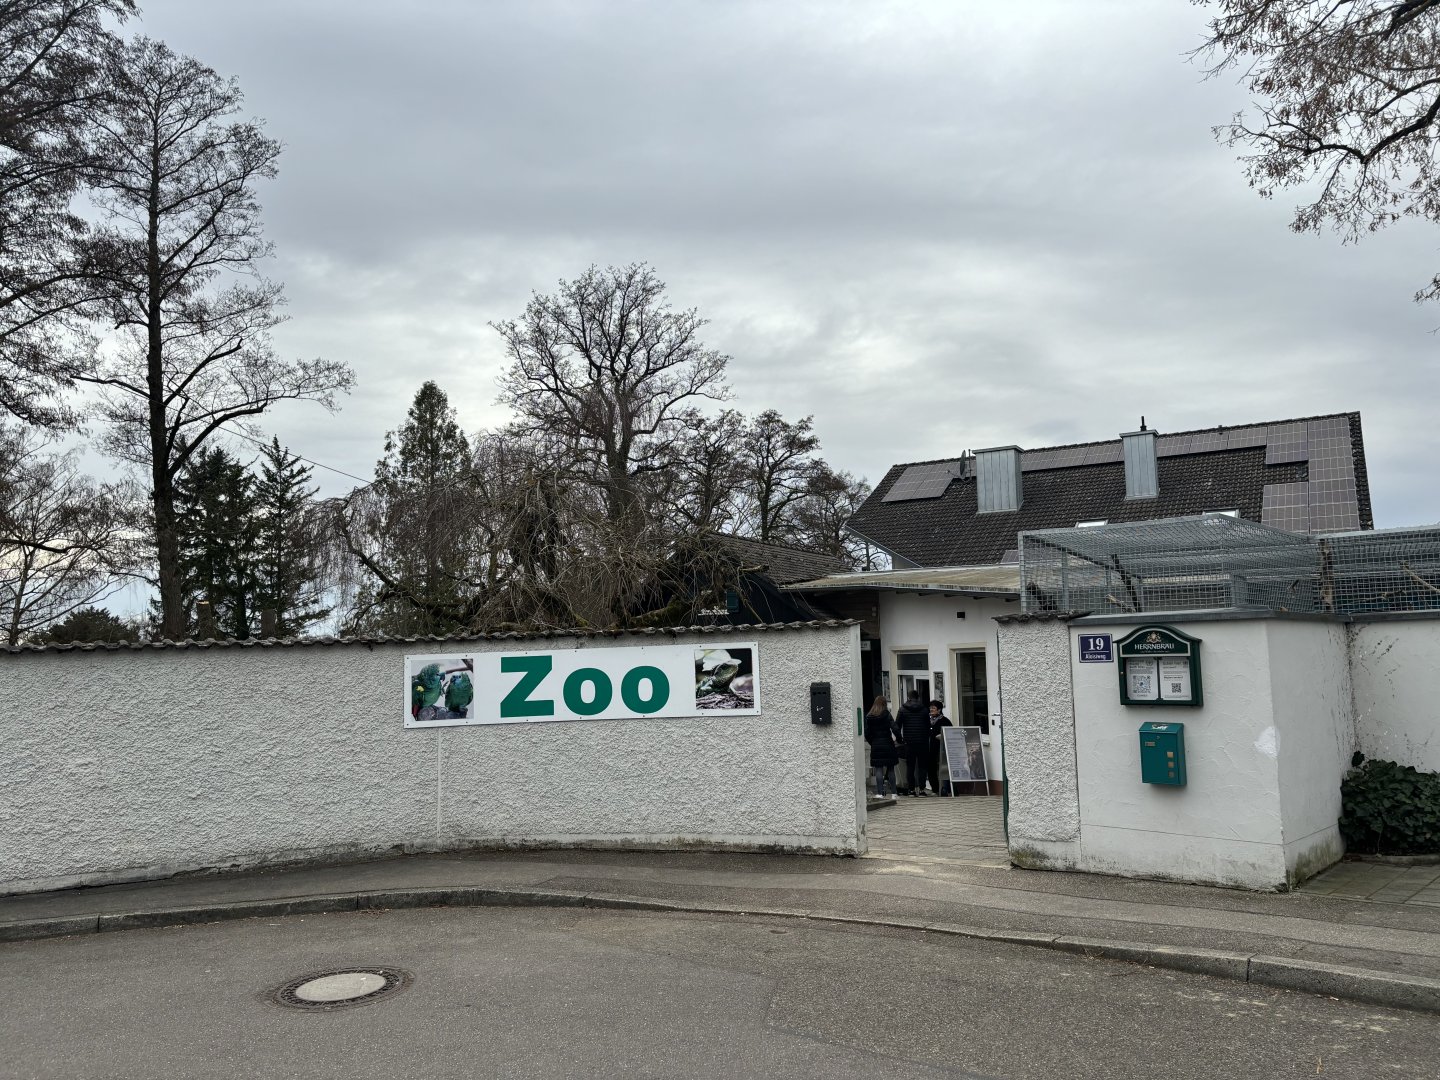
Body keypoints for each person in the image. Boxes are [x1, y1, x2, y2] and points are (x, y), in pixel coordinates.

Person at [896, 691, 932, 795]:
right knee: (922, 766)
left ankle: (911, 790)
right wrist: (926, 737)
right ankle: (921, 789)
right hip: (923, 742)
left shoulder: (902, 709)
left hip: (909, 742)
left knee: (910, 766)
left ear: (908, 697)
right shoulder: (924, 709)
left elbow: (897, 725)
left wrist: (900, 739)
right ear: (918, 697)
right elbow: (928, 726)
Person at [863, 696, 899, 797]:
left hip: (876, 745)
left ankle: (879, 793)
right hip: (888, 743)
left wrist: (872, 742)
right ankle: (894, 793)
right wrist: (900, 739)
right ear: (884, 704)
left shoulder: (869, 716)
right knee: (891, 769)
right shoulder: (886, 714)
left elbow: (867, 733)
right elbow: (894, 727)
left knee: (878, 769)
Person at [926, 700, 953, 795]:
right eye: (930, 708)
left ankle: (946, 789)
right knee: (931, 768)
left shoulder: (945, 721)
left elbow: (950, 734)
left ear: (939, 709)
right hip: (929, 749)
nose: (931, 709)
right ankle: (935, 789)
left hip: (942, 750)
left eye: (933, 708)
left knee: (943, 768)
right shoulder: (927, 720)